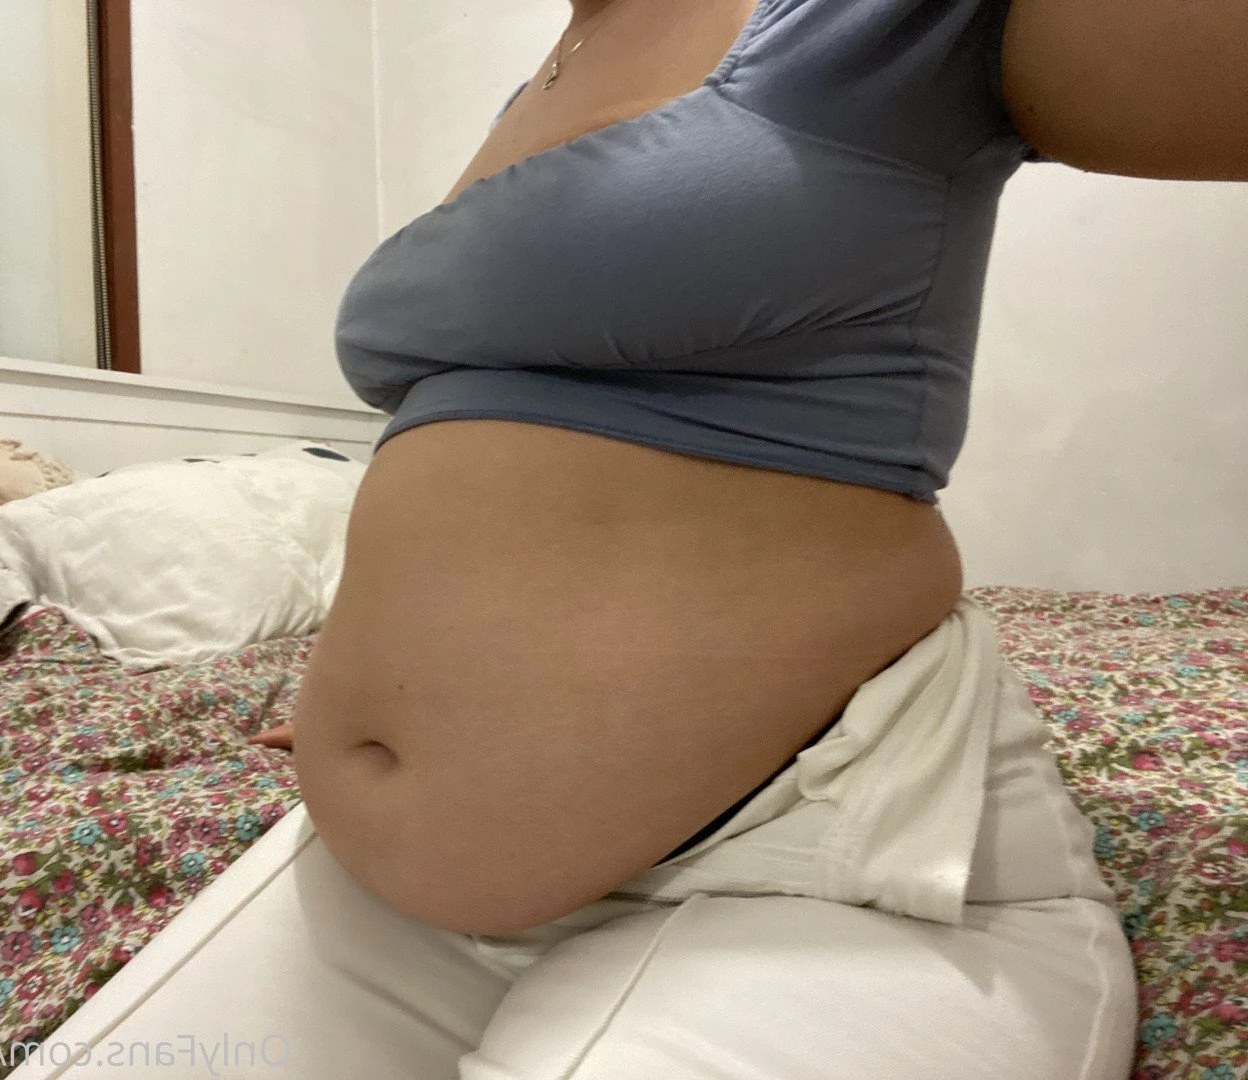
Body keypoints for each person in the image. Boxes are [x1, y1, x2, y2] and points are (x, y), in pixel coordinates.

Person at [221, 0, 1247, 1075]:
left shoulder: (878, 25)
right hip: (410, 904)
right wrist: (398, 689)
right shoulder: (551, 73)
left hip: (832, 872)